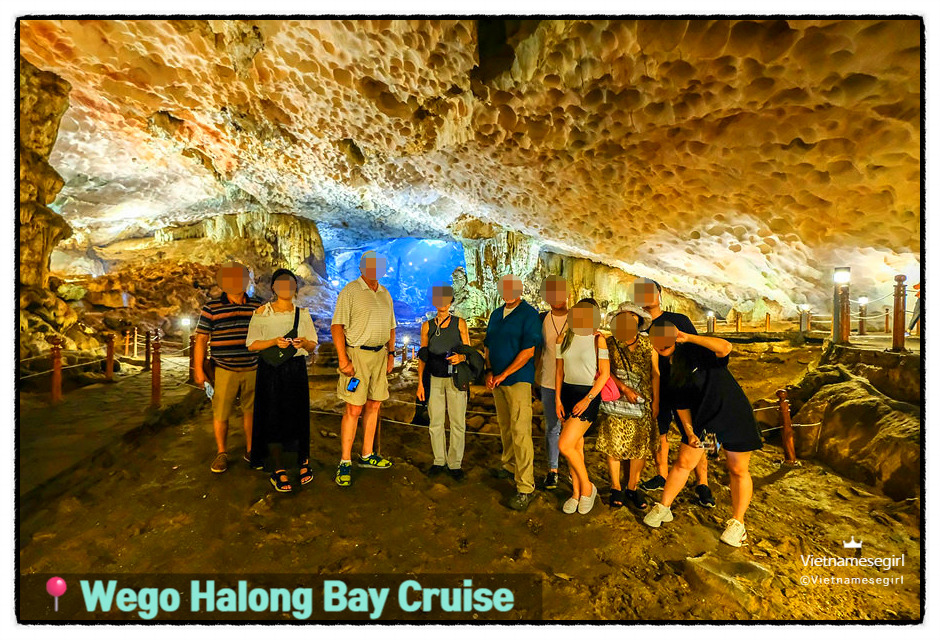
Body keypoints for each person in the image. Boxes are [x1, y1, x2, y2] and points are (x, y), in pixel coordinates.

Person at [643, 321, 763, 547]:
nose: (662, 343)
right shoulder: (667, 367)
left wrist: (688, 337)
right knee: (685, 462)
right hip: (708, 425)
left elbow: (725, 348)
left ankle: (738, 523)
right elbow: (681, 405)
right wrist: (690, 432)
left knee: (737, 469)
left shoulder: (697, 352)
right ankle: (664, 507)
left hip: (734, 417)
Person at [634, 278, 715, 509]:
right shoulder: (639, 326)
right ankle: (662, 475)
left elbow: (696, 349)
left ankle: (702, 483)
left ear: (660, 293)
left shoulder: (679, 321)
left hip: (684, 385)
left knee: (697, 433)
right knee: (660, 433)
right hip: (655, 388)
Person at [246, 268, 318, 492]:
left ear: (295, 287)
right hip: (271, 370)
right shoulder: (262, 313)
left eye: (290, 283)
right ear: (274, 288)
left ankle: (302, 461)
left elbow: (312, 344)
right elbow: (251, 344)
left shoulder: (302, 313)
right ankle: (277, 468)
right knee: (273, 416)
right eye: (281, 283)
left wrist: (303, 343)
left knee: (297, 415)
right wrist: (273, 342)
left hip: (295, 368)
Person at [331, 251, 397, 487]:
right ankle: (345, 460)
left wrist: (391, 355)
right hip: (357, 355)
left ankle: (367, 454)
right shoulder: (350, 291)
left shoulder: (385, 293)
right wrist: (343, 359)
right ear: (361, 268)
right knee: (354, 408)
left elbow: (391, 327)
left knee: (375, 404)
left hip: (380, 356)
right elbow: (337, 326)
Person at [194, 262, 263, 473]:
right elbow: (201, 339)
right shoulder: (212, 307)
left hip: (253, 367)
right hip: (224, 368)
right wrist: (198, 370)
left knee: (251, 412)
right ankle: (221, 452)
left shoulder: (257, 306)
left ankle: (251, 449)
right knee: (221, 412)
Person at [483, 274, 543, 511]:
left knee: (520, 431)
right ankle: (509, 465)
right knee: (505, 426)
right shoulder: (496, 314)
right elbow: (488, 345)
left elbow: (528, 351)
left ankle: (526, 486)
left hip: (518, 380)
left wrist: (505, 374)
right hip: (497, 379)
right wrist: (489, 370)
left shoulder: (529, 314)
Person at [596, 303, 659, 510]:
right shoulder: (610, 343)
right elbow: (604, 370)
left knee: (639, 446)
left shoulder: (648, 344)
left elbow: (655, 373)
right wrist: (624, 388)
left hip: (642, 401)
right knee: (614, 443)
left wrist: (656, 401)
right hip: (616, 400)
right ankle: (616, 486)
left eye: (631, 316)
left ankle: (632, 486)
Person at [555, 299, 610, 515]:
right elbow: (559, 371)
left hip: (588, 395)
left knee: (565, 445)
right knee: (576, 447)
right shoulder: (563, 338)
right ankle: (576, 493)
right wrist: (558, 399)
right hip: (567, 394)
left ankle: (587, 487)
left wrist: (587, 399)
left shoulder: (598, 340)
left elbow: (604, 374)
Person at [417, 284, 472, 480]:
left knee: (457, 422)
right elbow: (423, 356)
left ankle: (455, 463)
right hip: (434, 377)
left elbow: (468, 351)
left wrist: (462, 358)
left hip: (455, 377)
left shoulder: (460, 324)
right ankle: (439, 460)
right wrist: (420, 383)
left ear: (450, 302)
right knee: (436, 421)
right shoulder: (427, 326)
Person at [535, 275, 569, 490]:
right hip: (548, 380)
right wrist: (534, 377)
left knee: (572, 428)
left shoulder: (577, 318)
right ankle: (553, 470)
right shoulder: (542, 319)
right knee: (552, 427)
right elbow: (538, 349)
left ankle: (574, 469)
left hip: (573, 382)